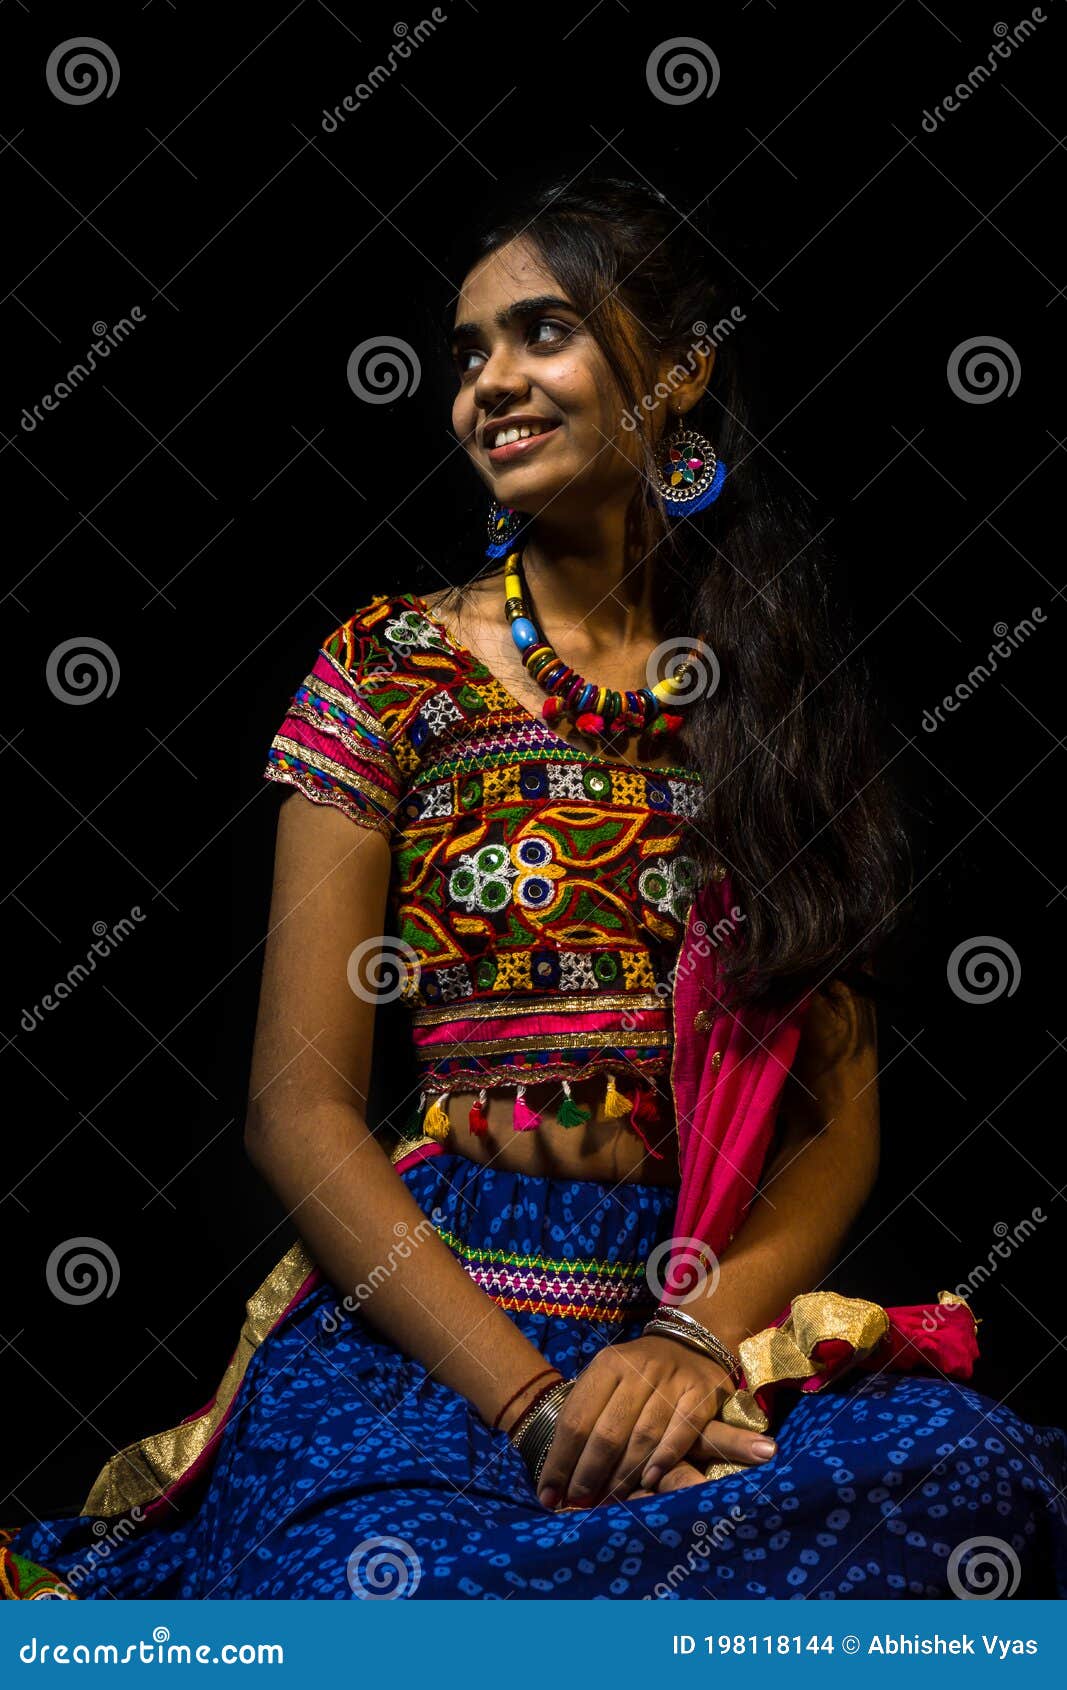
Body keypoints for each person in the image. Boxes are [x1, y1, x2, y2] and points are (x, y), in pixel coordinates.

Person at [3, 177, 1064, 1602]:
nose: (487, 383)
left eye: (543, 333)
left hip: (681, 1316)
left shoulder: (773, 701)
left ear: (679, 371)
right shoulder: (389, 671)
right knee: (394, 1580)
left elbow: (833, 1134)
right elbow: (295, 1108)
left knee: (978, 1477)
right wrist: (532, 1404)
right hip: (430, 1322)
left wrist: (687, 1347)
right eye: (465, 352)